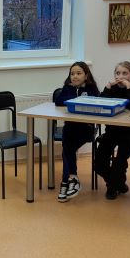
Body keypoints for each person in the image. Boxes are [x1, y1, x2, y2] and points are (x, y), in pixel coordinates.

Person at [94, 61, 130, 200]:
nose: (120, 76)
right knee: (99, 163)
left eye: (124, 73)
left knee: (119, 163)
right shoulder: (112, 89)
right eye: (117, 73)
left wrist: (129, 87)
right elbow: (102, 104)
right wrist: (107, 87)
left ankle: (112, 187)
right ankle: (118, 184)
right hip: (112, 132)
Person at [54, 62, 100, 202]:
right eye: (72, 74)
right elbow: (58, 101)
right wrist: (76, 98)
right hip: (70, 128)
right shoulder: (68, 88)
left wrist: (77, 99)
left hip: (86, 129)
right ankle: (71, 180)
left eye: (79, 73)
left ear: (86, 75)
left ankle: (67, 181)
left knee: (67, 149)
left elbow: (95, 100)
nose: (75, 76)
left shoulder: (91, 88)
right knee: (68, 148)